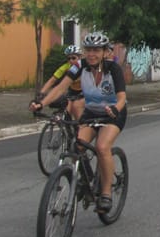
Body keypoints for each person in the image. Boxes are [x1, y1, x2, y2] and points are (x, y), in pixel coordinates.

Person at [30, 31, 126, 213]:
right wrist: (41, 103)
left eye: (96, 50)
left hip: (114, 114)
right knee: (77, 146)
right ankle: (87, 180)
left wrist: (115, 109)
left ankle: (106, 193)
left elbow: (122, 98)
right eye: (88, 50)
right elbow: (60, 88)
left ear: (105, 52)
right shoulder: (79, 66)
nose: (91, 54)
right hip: (92, 112)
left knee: (102, 147)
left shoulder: (114, 69)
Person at [39, 45, 85, 119]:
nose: (71, 60)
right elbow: (52, 80)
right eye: (68, 58)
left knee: (77, 111)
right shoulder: (65, 67)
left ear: (80, 57)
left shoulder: (84, 67)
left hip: (84, 91)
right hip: (72, 91)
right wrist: (41, 93)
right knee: (67, 111)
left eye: (73, 58)